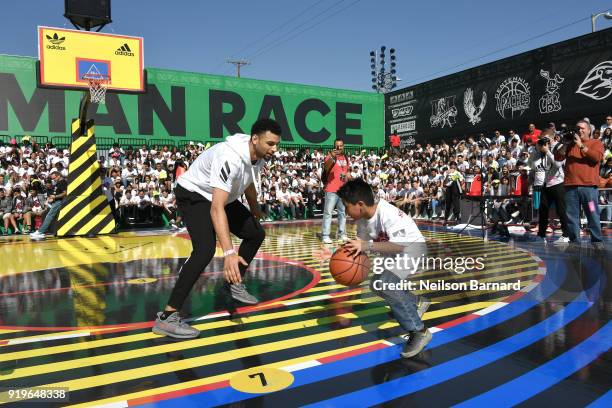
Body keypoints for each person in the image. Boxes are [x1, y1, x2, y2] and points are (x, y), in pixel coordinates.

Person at [153, 118, 281, 339]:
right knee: (205, 251)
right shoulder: (229, 158)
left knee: (256, 233)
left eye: (277, 144)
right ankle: (167, 317)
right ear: (255, 139)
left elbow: (248, 181)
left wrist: (254, 208)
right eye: (270, 144)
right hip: (194, 193)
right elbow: (216, 208)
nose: (275, 149)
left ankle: (232, 283)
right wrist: (229, 252)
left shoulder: (257, 156)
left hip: (219, 197)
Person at [319, 179, 431, 358]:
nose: (346, 212)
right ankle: (415, 302)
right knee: (377, 284)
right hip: (396, 255)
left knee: (386, 284)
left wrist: (367, 246)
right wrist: (337, 255)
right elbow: (360, 246)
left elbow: (398, 245)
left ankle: (419, 331)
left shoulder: (387, 213)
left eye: (347, 207)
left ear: (360, 204)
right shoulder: (363, 220)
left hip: (413, 250)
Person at [555, 120, 604, 250]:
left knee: (593, 214)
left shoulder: (596, 142)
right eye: (577, 128)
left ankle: (597, 241)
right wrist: (565, 143)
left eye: (582, 128)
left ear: (589, 130)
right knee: (571, 217)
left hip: (589, 189)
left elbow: (596, 158)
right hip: (571, 188)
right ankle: (574, 241)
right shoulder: (570, 144)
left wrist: (581, 145)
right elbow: (557, 157)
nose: (580, 130)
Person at [528, 131, 569, 244]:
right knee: (543, 210)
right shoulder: (539, 152)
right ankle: (541, 236)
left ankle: (566, 235)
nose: (543, 141)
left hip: (558, 183)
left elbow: (558, 164)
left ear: (552, 139)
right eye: (541, 139)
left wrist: (548, 151)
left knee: (561, 210)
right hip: (545, 184)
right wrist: (537, 150)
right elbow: (532, 166)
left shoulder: (560, 147)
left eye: (545, 139)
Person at [321, 139, 350, 243]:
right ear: (334, 146)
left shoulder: (346, 158)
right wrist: (332, 157)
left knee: (342, 213)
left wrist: (348, 178)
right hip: (331, 189)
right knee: (328, 213)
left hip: (342, 190)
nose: (339, 147)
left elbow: (346, 172)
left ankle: (342, 234)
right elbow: (326, 167)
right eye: (337, 146)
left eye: (341, 145)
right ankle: (325, 235)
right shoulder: (329, 156)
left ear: (343, 146)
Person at [30, 171, 66, 239]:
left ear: (58, 176)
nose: (53, 180)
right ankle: (42, 231)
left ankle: (41, 232)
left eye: (54, 178)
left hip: (59, 201)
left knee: (49, 216)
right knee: (49, 215)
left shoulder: (63, 182)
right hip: (55, 201)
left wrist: (55, 197)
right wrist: (52, 198)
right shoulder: (58, 183)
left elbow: (65, 193)